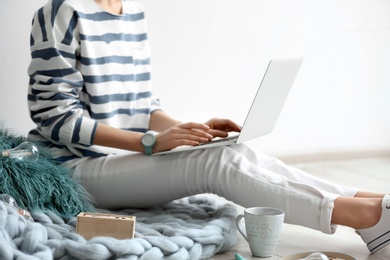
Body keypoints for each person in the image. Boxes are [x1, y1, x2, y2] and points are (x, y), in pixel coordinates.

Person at [27, 0, 389, 254]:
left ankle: (368, 201)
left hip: (120, 157)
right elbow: (55, 118)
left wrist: (189, 130)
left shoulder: (131, 11)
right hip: (70, 170)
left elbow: (143, 107)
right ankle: (366, 216)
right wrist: (151, 144)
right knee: (212, 165)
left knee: (229, 150)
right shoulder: (62, 11)